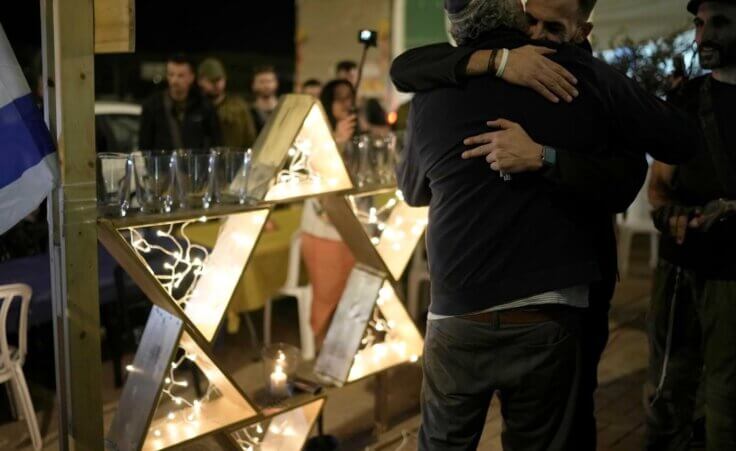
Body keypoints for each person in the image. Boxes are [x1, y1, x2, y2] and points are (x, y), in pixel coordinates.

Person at [390, 0, 699, 448]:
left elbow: (414, 191)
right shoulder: (580, 78)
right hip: (550, 307)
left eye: (550, 26)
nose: (535, 34)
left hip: (460, 307)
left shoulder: (433, 92)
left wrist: (543, 157)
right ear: (515, 16)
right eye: (530, 19)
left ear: (582, 29)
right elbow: (646, 162)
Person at [645, 1, 736, 449]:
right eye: (700, 24)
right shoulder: (683, 98)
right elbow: (658, 185)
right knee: (665, 392)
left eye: (719, 22)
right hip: (679, 271)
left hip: (733, 279)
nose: (703, 36)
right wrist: (668, 213)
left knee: (726, 406)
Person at [300, 79, 358, 344]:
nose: (347, 104)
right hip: (322, 229)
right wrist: (337, 140)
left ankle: (344, 346)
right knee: (327, 294)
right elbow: (315, 172)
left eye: (350, 97)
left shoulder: (357, 132)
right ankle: (324, 346)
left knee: (353, 289)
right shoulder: (316, 134)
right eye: (340, 98)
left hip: (348, 228)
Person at [138, 54, 221, 150]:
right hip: (163, 164)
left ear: (191, 77)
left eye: (180, 76)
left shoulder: (204, 106)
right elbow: (144, 145)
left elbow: (215, 142)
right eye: (171, 74)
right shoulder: (153, 106)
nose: (174, 80)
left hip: (194, 164)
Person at [197, 57, 258, 149]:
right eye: (211, 81)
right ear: (200, 81)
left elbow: (250, 137)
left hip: (233, 159)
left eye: (219, 80)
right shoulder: (195, 108)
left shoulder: (238, 107)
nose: (216, 84)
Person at [249, 65, 279, 134]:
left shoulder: (284, 109)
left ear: (276, 83)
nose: (266, 86)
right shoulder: (248, 113)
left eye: (269, 81)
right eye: (262, 82)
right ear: (253, 85)